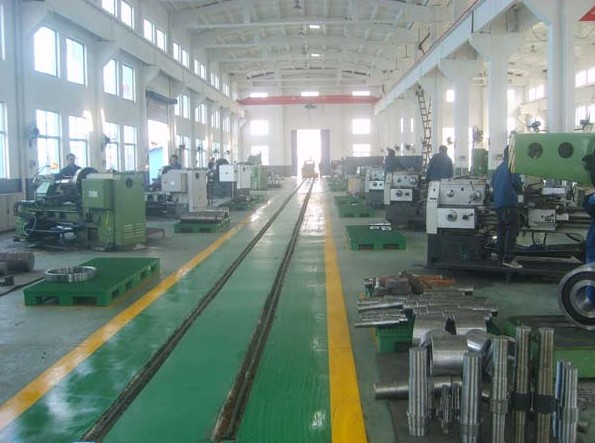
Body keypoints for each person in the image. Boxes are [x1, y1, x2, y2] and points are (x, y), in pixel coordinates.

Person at [492, 146, 523, 269]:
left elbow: (493, 184)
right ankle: (509, 259)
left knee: (501, 232)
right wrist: (521, 187)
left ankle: (500, 258)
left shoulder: (498, 169)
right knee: (512, 231)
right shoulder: (512, 166)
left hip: (499, 205)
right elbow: (516, 183)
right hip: (509, 203)